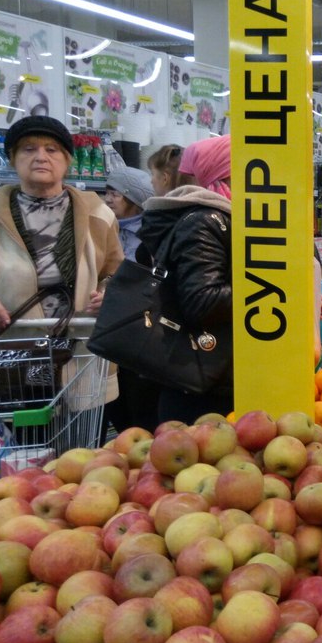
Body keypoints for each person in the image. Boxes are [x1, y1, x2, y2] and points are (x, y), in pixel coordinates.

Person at [0, 116, 121, 329]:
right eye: (28, 149)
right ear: (12, 158)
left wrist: (108, 295)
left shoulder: (98, 215)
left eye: (51, 150)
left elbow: (115, 274)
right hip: (7, 340)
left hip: (80, 341)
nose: (41, 157)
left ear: (67, 160)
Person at [139, 135, 233, 422]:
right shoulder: (205, 221)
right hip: (202, 390)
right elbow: (202, 301)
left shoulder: (222, 219)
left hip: (212, 378)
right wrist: (276, 290)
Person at [102, 166, 161, 433]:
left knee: (139, 404)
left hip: (140, 332)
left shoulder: (151, 234)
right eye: (107, 192)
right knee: (115, 405)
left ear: (133, 198)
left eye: (115, 193)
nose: (108, 199)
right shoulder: (105, 228)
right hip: (111, 329)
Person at [104, 167, 154, 263]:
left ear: (132, 200)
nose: (107, 199)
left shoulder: (147, 234)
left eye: (114, 195)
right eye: (107, 193)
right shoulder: (103, 226)